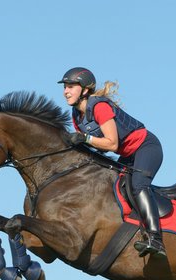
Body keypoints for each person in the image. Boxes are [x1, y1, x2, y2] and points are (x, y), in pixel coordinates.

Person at [58, 67, 166, 258]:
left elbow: (111, 143)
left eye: (71, 86)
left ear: (84, 90)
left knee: (138, 186)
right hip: (127, 154)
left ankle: (156, 239)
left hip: (146, 147)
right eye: (65, 87)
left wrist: (84, 139)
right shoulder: (77, 116)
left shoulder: (99, 107)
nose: (66, 91)